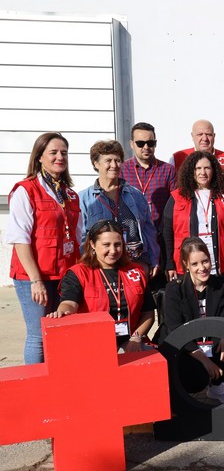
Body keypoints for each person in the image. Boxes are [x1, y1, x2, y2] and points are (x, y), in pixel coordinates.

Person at [7, 133, 82, 364]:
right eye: (54, 152)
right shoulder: (26, 191)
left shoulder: (69, 194)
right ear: (40, 157)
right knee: (38, 336)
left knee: (61, 332)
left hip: (63, 274)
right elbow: (20, 238)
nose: (60, 157)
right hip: (35, 276)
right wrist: (35, 280)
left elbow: (77, 237)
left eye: (64, 153)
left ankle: (58, 385)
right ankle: (36, 388)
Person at [48, 220, 155, 352]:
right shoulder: (78, 273)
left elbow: (148, 314)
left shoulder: (136, 272)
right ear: (92, 244)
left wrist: (135, 338)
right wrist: (63, 312)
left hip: (131, 341)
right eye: (106, 245)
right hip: (94, 344)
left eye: (117, 245)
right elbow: (69, 303)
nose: (113, 250)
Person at [161, 237, 224, 403]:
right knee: (197, 380)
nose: (202, 268)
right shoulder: (174, 289)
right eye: (195, 264)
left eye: (205, 261)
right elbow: (175, 329)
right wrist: (204, 361)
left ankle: (218, 386)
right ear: (186, 265)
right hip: (186, 348)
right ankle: (178, 393)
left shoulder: (220, 284)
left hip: (211, 342)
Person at [162, 152, 224, 288]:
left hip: (220, 263)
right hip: (187, 264)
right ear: (191, 171)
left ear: (214, 170)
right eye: (198, 168)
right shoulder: (177, 197)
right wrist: (169, 264)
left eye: (207, 168)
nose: (203, 172)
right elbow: (167, 233)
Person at [80, 140, 159, 276]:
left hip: (134, 265)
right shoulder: (84, 199)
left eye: (117, 160)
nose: (114, 165)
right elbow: (81, 237)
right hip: (101, 267)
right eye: (108, 161)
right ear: (96, 163)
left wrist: (154, 260)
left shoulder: (136, 195)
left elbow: (148, 230)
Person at [122, 122, 175, 233]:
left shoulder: (168, 170)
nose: (146, 147)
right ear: (132, 144)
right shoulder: (122, 170)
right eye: (140, 143)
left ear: (155, 144)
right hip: (132, 234)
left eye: (150, 143)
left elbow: (175, 205)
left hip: (160, 235)